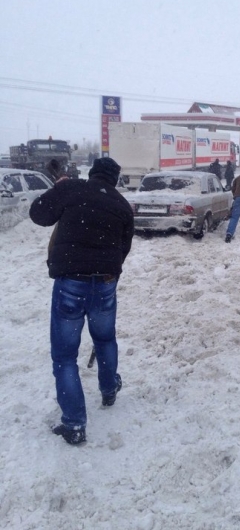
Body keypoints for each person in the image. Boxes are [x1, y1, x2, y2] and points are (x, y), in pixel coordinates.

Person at [29, 157, 134, 445]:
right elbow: (123, 248)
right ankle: (109, 388)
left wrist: (58, 191)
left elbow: (38, 214)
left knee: (64, 357)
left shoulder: (73, 189)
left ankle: (74, 424)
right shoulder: (122, 205)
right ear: (115, 179)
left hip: (70, 282)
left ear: (93, 173)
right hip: (105, 283)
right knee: (105, 339)